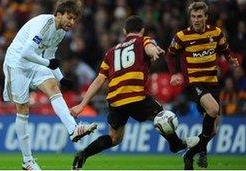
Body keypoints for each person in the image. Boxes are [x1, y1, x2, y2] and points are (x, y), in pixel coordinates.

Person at [70, 15, 200, 170]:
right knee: (164, 117)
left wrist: (82, 104)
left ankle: (83, 154)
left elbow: (99, 80)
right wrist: (154, 52)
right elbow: (149, 47)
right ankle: (176, 145)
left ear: (125, 31)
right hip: (135, 95)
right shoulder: (143, 40)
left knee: (114, 138)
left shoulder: (110, 52)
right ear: (143, 30)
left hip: (115, 99)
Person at [2, 1, 97, 170]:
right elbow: (26, 53)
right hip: (16, 63)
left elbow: (50, 55)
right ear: (59, 14)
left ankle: (73, 129)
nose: (72, 22)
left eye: (74, 19)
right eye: (69, 17)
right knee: (23, 109)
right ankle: (27, 161)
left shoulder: (60, 32)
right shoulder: (45, 24)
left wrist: (61, 78)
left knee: (54, 87)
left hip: (34, 62)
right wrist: (46, 62)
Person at [166, 1, 239, 170]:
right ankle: (201, 152)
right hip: (195, 83)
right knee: (213, 110)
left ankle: (190, 154)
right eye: (193, 17)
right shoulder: (182, 36)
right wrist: (174, 73)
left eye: (199, 16)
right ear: (190, 18)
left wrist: (230, 58)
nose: (196, 20)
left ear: (206, 17)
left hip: (212, 83)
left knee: (213, 130)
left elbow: (224, 48)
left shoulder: (216, 32)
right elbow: (170, 55)